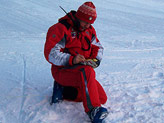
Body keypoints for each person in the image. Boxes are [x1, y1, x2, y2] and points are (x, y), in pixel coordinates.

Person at [44, 2, 108, 123]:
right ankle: (93, 110)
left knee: (102, 98)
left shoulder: (89, 30)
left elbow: (98, 48)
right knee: (87, 72)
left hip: (81, 71)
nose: (87, 25)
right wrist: (71, 59)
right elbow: (50, 54)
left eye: (90, 23)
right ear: (78, 17)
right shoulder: (60, 29)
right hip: (62, 71)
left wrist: (95, 60)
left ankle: (64, 91)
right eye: (85, 22)